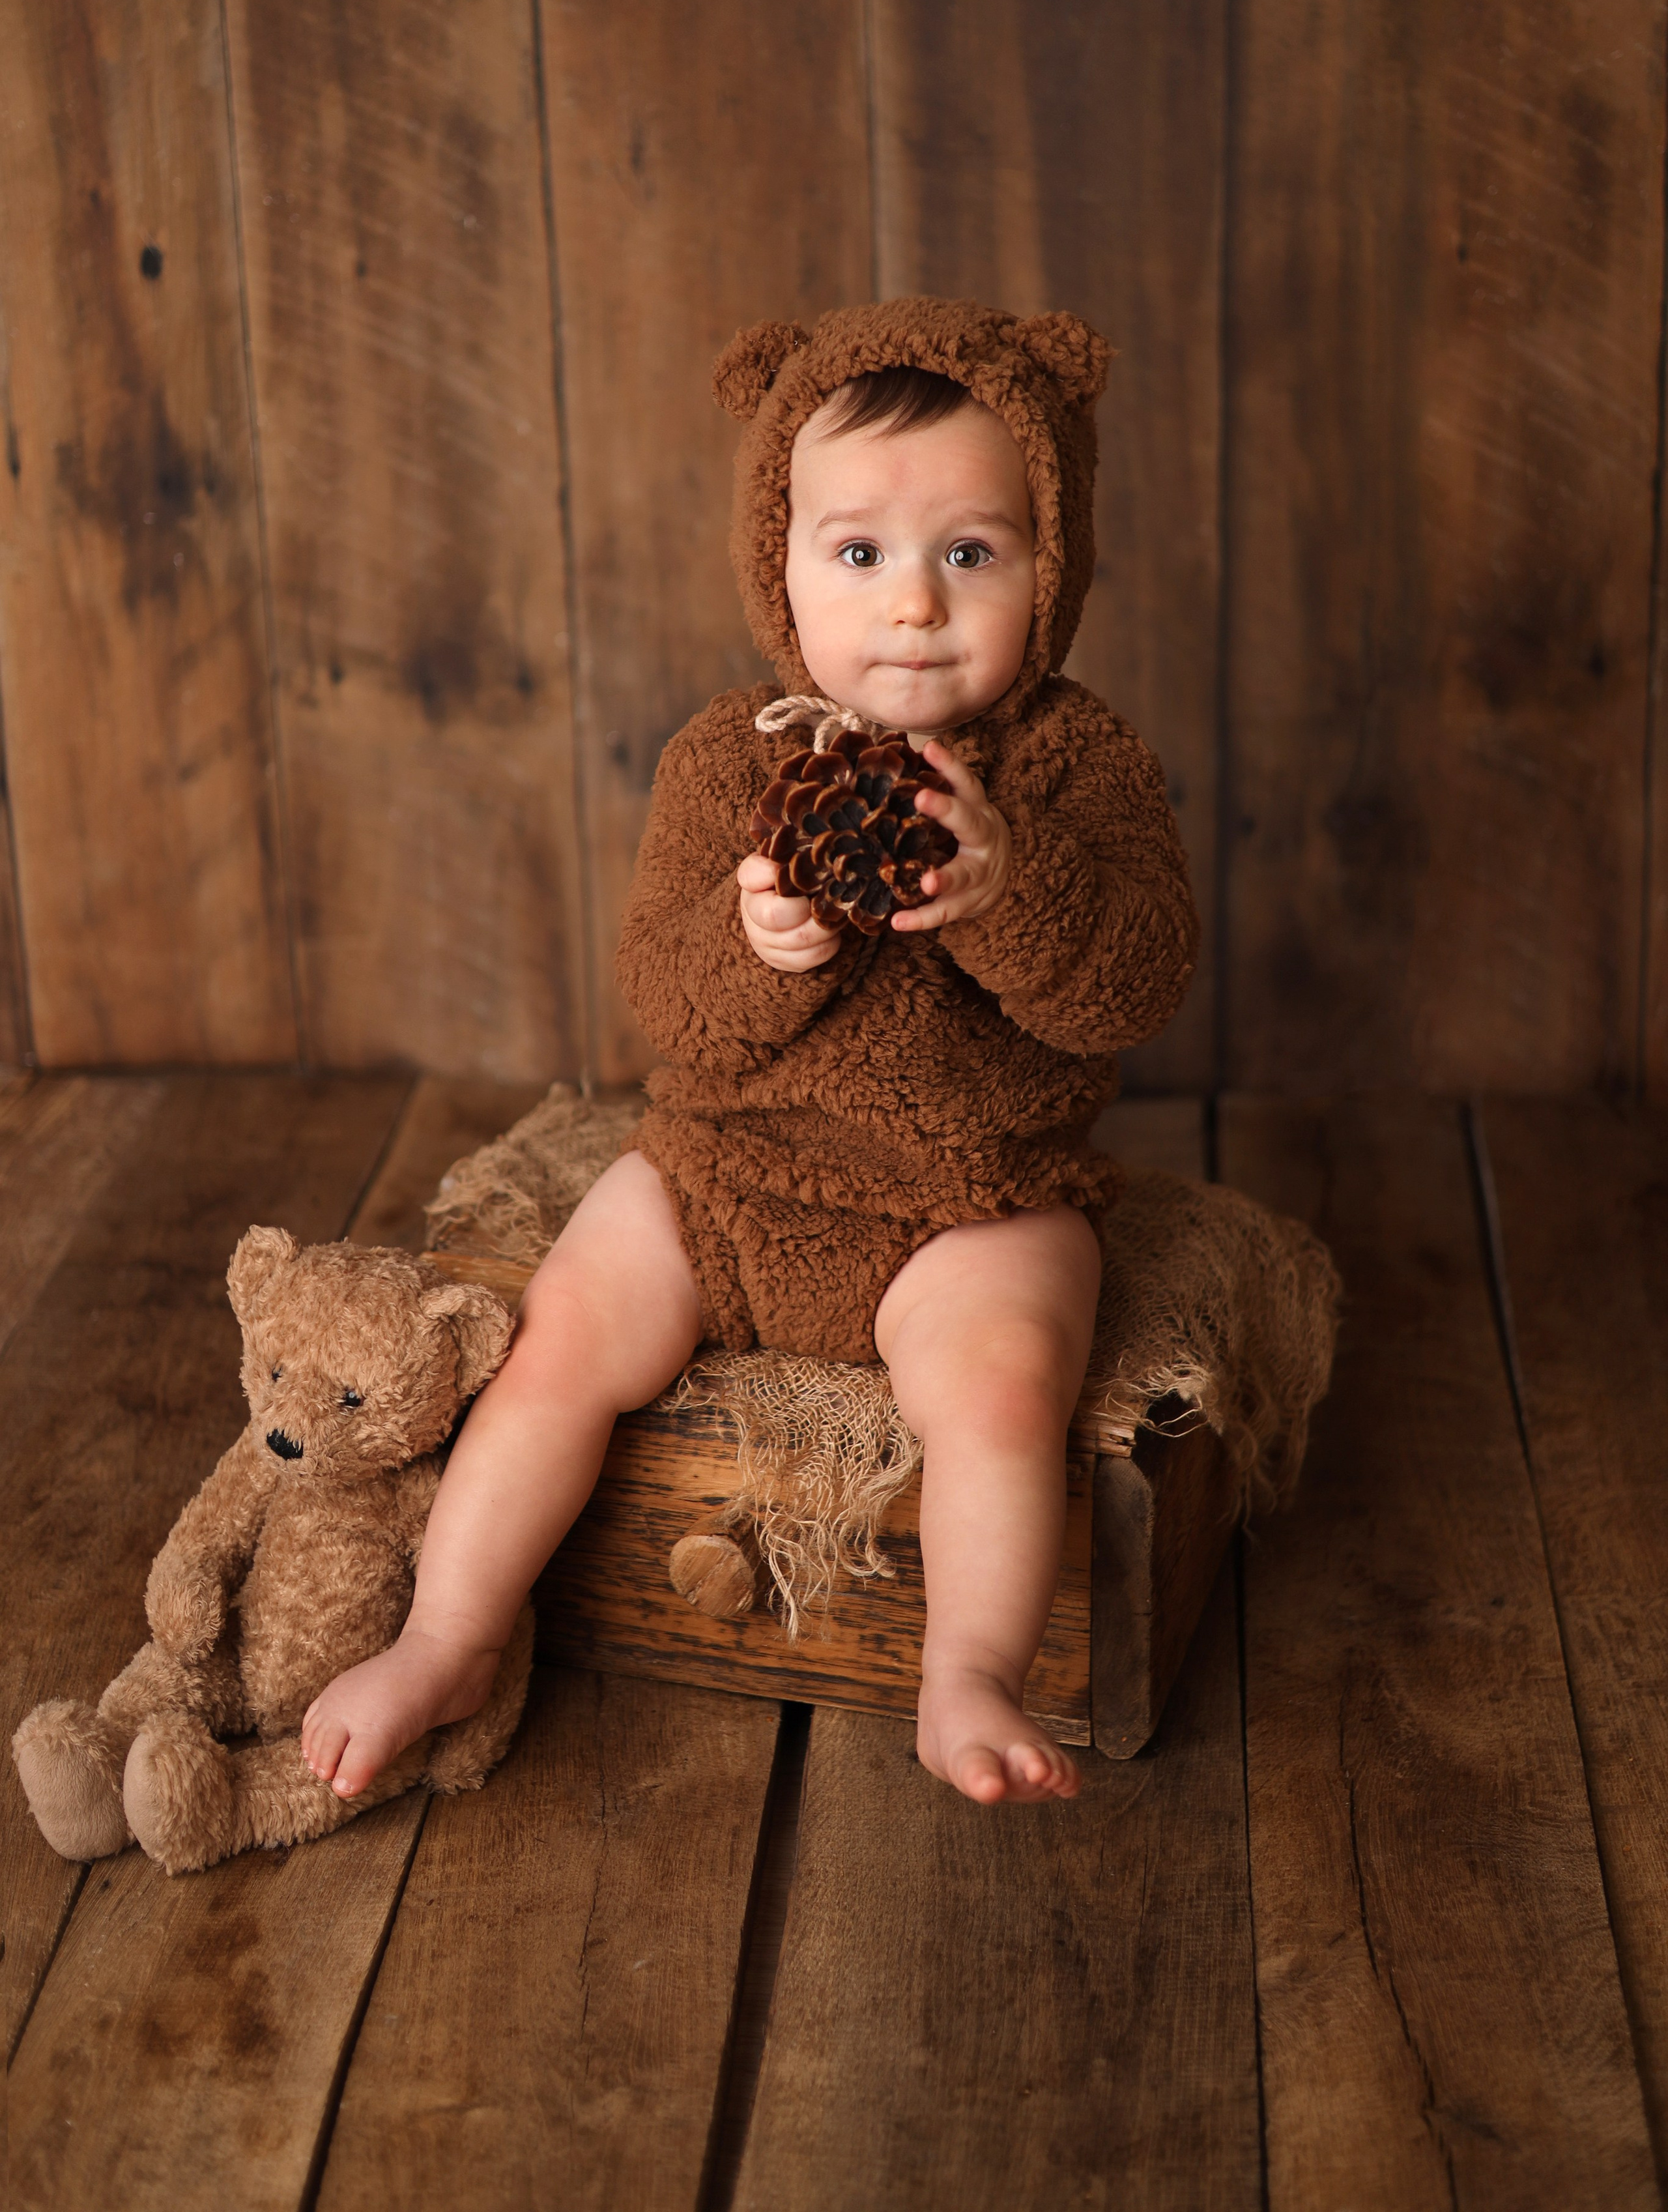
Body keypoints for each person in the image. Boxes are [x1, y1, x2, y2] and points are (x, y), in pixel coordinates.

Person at [301, 298, 1198, 1807]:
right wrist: (758, 941)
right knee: (560, 1339)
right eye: (858, 554)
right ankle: (448, 1631)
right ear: (777, 562)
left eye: (968, 553)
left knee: (1000, 1384)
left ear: (1054, 563)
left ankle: (965, 1667)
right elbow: (667, 994)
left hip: (968, 1199)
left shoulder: (1072, 763)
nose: (911, 605)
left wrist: (1006, 890)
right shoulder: (733, 760)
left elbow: (1136, 979)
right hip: (728, 1182)